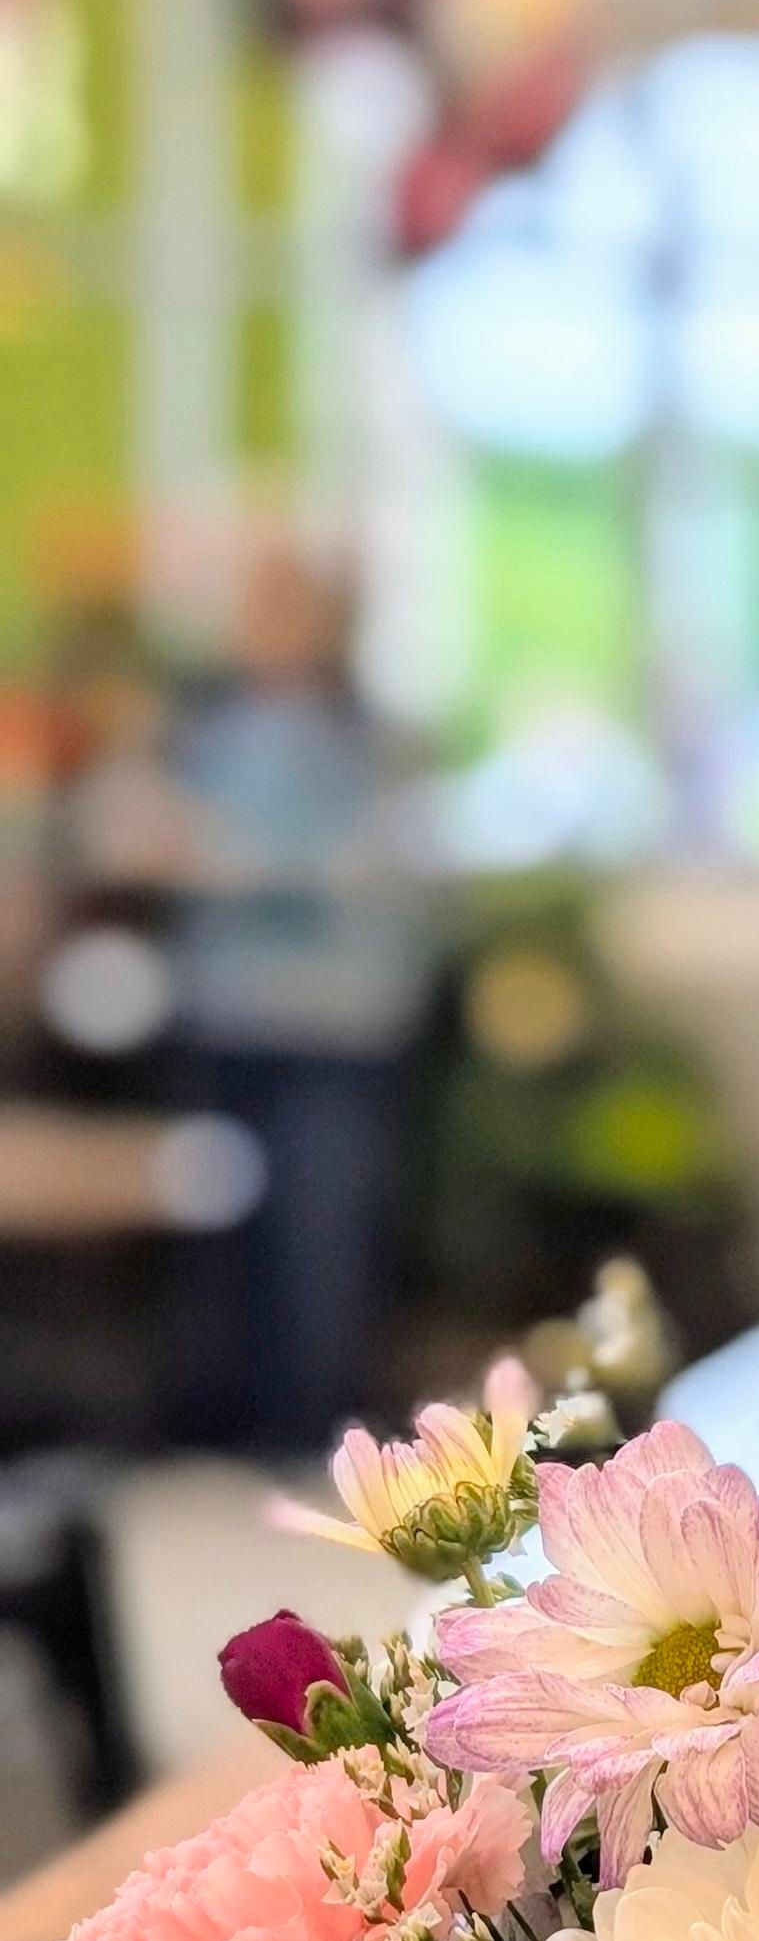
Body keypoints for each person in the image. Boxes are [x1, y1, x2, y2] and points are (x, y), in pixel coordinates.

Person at [169, 544, 431, 1454]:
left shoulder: (367, 740)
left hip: (332, 1023)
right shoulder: (220, 728)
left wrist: (230, 861)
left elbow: (368, 869)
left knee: (318, 1235)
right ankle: (230, 1417)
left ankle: (315, 1429)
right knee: (228, 1230)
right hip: (230, 1015)